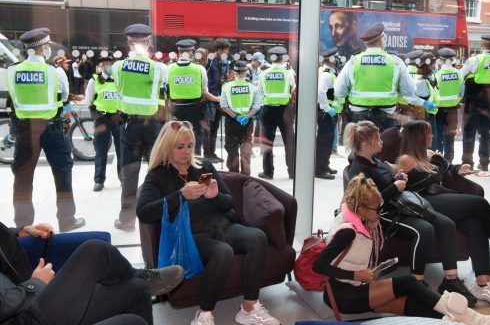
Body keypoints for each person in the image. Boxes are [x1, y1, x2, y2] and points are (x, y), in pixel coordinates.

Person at [312, 174, 490, 324]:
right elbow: (319, 265)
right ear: (360, 209)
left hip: (355, 289)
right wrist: (356, 274)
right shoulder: (348, 231)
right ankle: (481, 321)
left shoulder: (351, 215)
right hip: (343, 296)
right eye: (377, 209)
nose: (380, 212)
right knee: (408, 282)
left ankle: (470, 322)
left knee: (415, 305)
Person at [136, 121, 280, 325]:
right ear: (167, 147)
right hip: (191, 236)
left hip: (221, 226)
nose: (187, 152)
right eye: (180, 147)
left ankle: (249, 308)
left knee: (257, 237)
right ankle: (204, 315)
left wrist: (215, 196)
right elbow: (144, 213)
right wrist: (180, 195)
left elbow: (229, 202)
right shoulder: (158, 175)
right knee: (223, 252)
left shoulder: (203, 166)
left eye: (189, 146)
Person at [397, 120, 490, 308]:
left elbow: (444, 170)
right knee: (479, 204)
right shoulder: (405, 159)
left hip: (438, 201)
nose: (432, 136)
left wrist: (454, 167)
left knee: (476, 223)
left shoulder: (428, 154)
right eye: (428, 133)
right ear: (418, 137)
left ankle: (483, 283)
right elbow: (411, 186)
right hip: (423, 203)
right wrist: (436, 162)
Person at [344, 121, 477, 305]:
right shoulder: (359, 170)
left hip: (401, 205)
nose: (381, 141)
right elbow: (369, 204)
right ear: (366, 144)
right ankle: (416, 283)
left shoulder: (376, 160)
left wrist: (398, 179)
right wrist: (394, 187)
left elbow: (389, 181)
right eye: (377, 139)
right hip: (385, 215)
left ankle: (451, 280)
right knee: (424, 230)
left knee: (446, 224)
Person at [0, 221, 184, 325]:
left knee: (137, 289)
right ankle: (139, 275)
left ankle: (141, 278)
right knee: (95, 250)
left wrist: (20, 231)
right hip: (23, 317)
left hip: (25, 304)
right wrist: (34, 285)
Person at [6, 28, 85, 232]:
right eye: (47, 46)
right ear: (42, 47)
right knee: (62, 172)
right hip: (51, 128)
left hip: (24, 130)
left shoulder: (13, 70)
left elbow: (14, 99)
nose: (49, 49)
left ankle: (23, 225)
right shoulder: (54, 71)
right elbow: (64, 95)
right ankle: (67, 220)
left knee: (23, 177)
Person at [112, 23, 167, 232]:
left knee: (129, 172)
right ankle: (158, 217)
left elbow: (119, 89)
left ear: (128, 43)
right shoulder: (160, 68)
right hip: (153, 124)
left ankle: (127, 222)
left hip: (129, 124)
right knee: (157, 170)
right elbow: (163, 92)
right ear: (149, 43)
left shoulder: (118, 67)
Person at [334, 22, 427, 132]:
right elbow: (409, 91)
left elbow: (339, 92)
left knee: (360, 148)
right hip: (386, 118)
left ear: (366, 43)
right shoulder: (395, 61)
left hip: (359, 119)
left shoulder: (353, 61)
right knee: (386, 147)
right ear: (381, 40)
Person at [460, 35, 490, 171]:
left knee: (469, 132)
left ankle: (468, 162)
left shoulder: (475, 59)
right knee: (485, 132)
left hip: (474, 99)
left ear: (482, 43)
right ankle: (484, 163)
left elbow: (460, 75)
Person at [168, 39, 219, 156]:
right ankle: (195, 164)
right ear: (191, 52)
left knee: (177, 138)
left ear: (178, 51)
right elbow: (204, 90)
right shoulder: (199, 69)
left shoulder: (169, 68)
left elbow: (167, 88)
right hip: (196, 110)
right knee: (195, 139)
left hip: (176, 109)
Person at [83, 53, 121, 192]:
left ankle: (123, 178)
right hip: (102, 118)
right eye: (105, 64)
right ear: (100, 66)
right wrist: (94, 112)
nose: (108, 66)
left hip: (117, 118)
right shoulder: (95, 80)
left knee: (121, 150)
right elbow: (88, 100)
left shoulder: (119, 80)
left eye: (110, 64)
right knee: (101, 150)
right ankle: (99, 180)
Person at [257, 46, 296, 180]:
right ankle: (292, 171)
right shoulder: (288, 73)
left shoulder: (263, 73)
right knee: (289, 141)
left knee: (267, 142)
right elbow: (292, 89)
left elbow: (261, 90)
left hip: (268, 110)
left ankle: (268, 172)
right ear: (283, 58)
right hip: (285, 111)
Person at [220, 60, 262, 175]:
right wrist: (247, 116)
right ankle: (245, 177)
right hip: (246, 122)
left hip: (231, 121)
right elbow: (257, 105)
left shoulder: (227, 86)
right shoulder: (253, 87)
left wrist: (236, 117)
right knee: (246, 150)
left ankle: (233, 175)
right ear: (246, 72)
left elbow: (223, 106)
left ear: (234, 72)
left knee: (232, 150)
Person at [434, 48, 464, 163]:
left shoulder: (437, 75)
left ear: (440, 60)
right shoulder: (459, 74)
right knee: (450, 136)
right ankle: (449, 161)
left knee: (438, 137)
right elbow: (462, 93)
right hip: (453, 110)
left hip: (439, 110)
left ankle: (438, 160)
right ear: (452, 60)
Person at [316, 47, 341, 180]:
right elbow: (321, 92)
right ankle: (320, 169)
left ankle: (325, 165)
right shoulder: (326, 74)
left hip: (329, 112)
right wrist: (327, 108)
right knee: (324, 141)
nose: (337, 60)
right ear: (331, 59)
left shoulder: (327, 72)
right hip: (327, 113)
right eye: (336, 58)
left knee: (327, 140)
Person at [204, 38, 230, 163]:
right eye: (226, 51)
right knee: (209, 127)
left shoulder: (224, 63)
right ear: (219, 51)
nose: (227, 53)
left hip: (220, 99)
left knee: (215, 128)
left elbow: (225, 79)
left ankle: (212, 153)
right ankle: (207, 154)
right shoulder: (209, 63)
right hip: (210, 98)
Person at [414, 52, 439, 149]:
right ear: (427, 66)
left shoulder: (430, 79)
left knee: (431, 141)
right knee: (428, 142)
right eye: (433, 64)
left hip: (430, 114)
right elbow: (420, 100)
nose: (434, 66)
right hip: (425, 116)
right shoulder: (422, 81)